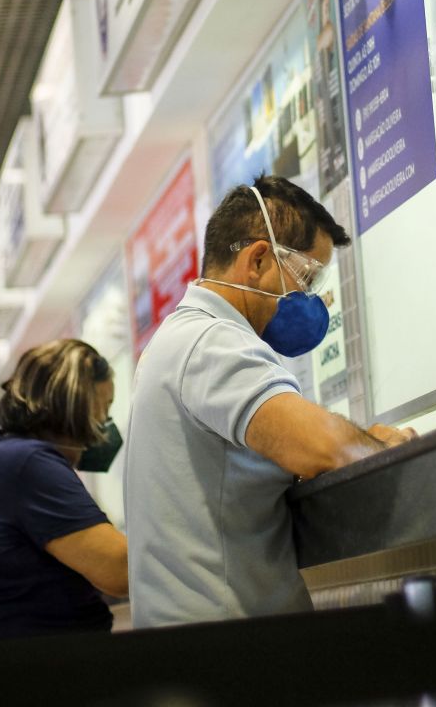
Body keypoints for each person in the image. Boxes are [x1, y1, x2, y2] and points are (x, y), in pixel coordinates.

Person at [124, 174, 417, 628]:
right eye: (306, 277)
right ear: (257, 259)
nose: (311, 300)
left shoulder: (177, 339)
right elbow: (323, 448)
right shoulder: (212, 342)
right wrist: (381, 446)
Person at [0, 340, 127, 645]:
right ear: (77, 404)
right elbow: (119, 570)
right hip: (7, 672)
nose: (105, 427)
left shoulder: (9, 455)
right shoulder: (27, 463)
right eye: (104, 410)